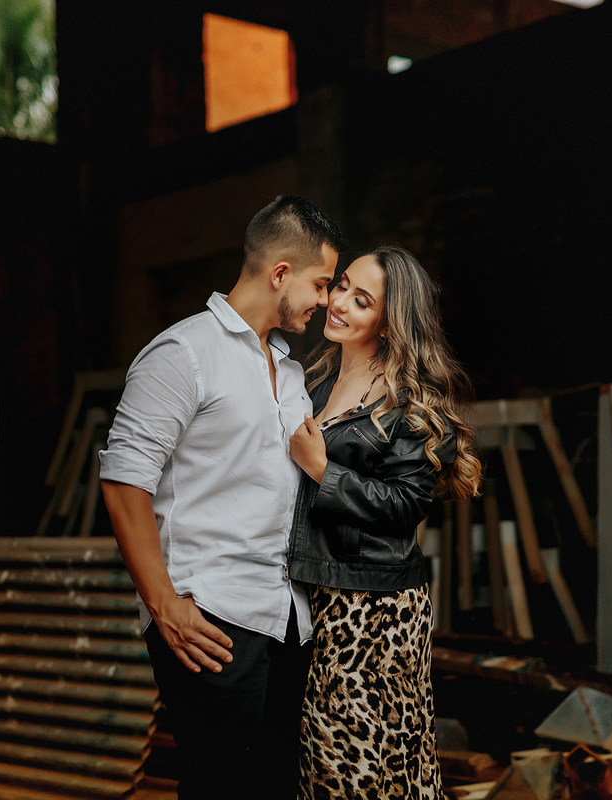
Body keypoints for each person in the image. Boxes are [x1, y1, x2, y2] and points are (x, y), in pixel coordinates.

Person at [99, 194, 347, 800]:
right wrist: (163, 604)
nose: (325, 301)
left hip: (288, 620)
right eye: (320, 284)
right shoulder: (183, 354)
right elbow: (124, 479)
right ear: (280, 273)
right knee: (222, 786)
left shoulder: (290, 372)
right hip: (209, 617)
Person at [287, 244, 483, 799]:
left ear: (391, 320)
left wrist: (322, 470)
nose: (339, 302)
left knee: (363, 765)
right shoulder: (315, 384)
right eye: (342, 284)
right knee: (324, 761)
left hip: (373, 610)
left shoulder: (409, 404)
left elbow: (405, 505)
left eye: (361, 299)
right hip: (317, 595)